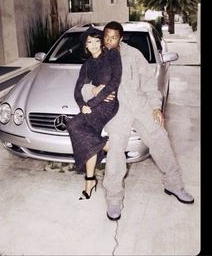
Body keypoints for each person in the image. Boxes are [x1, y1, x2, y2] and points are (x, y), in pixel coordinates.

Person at [82, 21, 194, 220]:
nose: (108, 41)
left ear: (121, 38)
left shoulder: (133, 54)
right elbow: (82, 85)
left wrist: (156, 108)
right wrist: (93, 90)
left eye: (113, 37)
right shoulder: (98, 56)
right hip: (117, 112)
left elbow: (150, 84)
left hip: (141, 107)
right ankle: (114, 199)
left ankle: (174, 185)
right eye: (106, 36)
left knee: (161, 140)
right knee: (116, 153)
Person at [67, 26, 122, 200]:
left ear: (102, 42)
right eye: (89, 42)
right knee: (87, 137)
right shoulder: (87, 65)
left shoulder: (112, 55)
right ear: (85, 46)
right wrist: (82, 104)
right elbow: (77, 90)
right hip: (93, 105)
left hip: (108, 105)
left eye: (97, 41)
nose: (93, 45)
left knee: (74, 125)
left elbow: (114, 82)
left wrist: (92, 102)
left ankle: (109, 147)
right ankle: (89, 181)